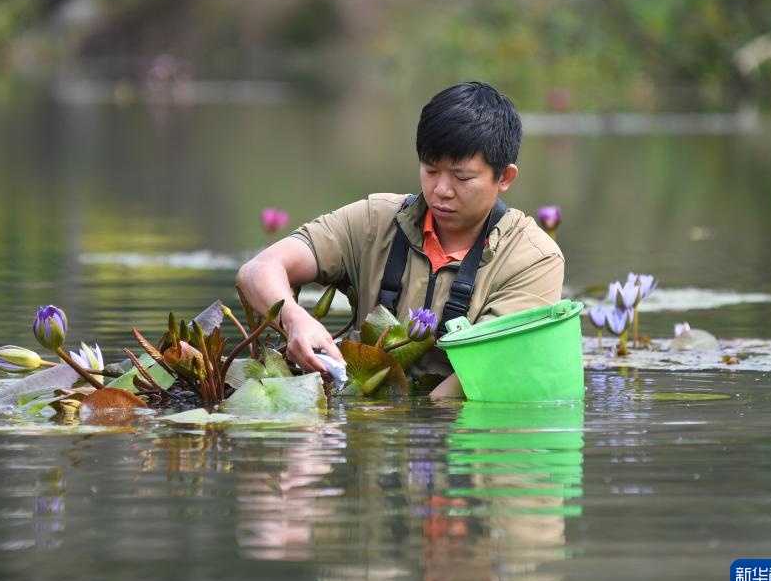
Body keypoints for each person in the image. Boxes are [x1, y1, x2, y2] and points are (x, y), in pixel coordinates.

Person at [236, 81, 564, 399]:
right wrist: (295, 320)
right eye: (431, 170)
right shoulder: (374, 220)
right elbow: (258, 270)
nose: (441, 190)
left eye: (462, 177)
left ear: (504, 177)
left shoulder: (535, 258)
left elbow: (463, 388)